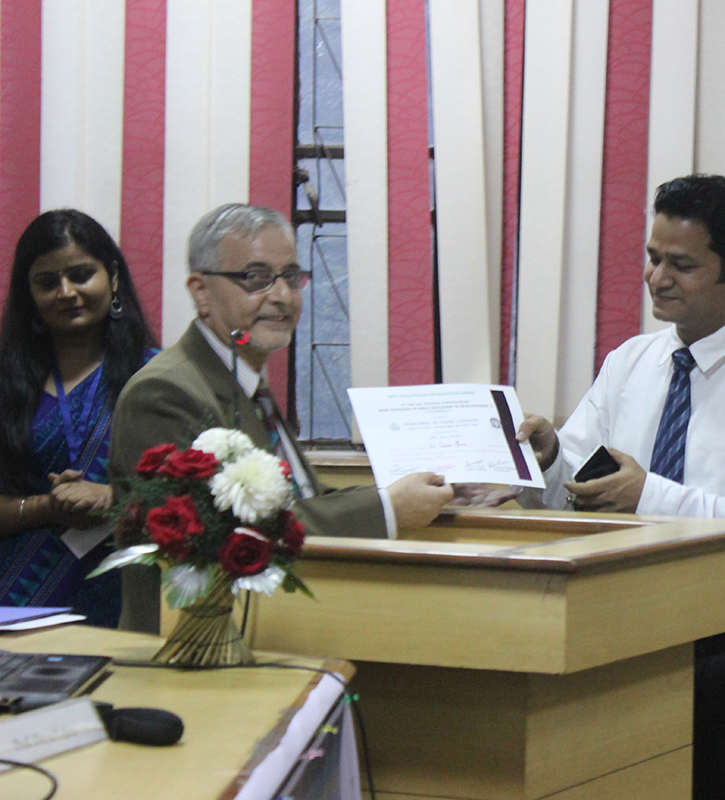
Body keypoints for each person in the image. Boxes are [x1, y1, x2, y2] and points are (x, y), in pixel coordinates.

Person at [517, 175, 725, 800]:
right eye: (652, 257)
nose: (657, 277)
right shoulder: (629, 363)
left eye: (682, 265)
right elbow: (578, 491)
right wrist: (552, 458)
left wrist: (651, 497)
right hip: (623, 650)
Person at [110, 203, 453, 633]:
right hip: (190, 641)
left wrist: (425, 491)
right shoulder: (165, 392)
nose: (282, 296)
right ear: (201, 291)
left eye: (291, 276)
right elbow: (229, 535)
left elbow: (301, 501)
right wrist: (387, 507)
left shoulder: (246, 381)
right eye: (255, 278)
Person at [0, 209, 159, 627]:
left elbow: (190, 499)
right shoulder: (6, 385)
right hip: (15, 604)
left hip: (127, 601)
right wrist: (46, 508)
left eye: (81, 275)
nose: (66, 292)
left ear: (114, 277)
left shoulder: (156, 380)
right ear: (29, 293)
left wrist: (111, 497)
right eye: (47, 282)